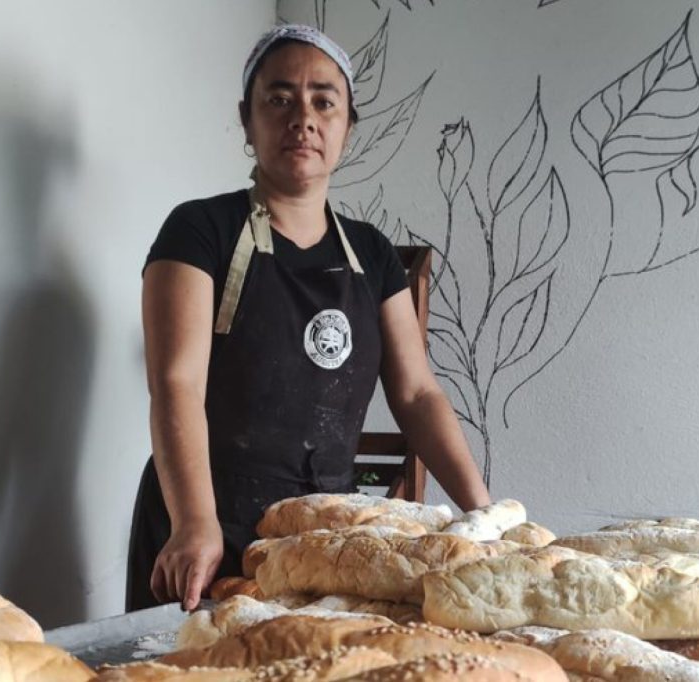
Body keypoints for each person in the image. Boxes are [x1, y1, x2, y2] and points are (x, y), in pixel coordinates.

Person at [126, 24, 491, 613]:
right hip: (209, 526)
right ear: (247, 120)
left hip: (324, 538)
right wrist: (194, 521)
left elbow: (418, 393)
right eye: (279, 99)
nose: (304, 117)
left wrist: (485, 516)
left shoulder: (371, 253)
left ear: (347, 125)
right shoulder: (199, 230)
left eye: (324, 101)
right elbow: (176, 382)